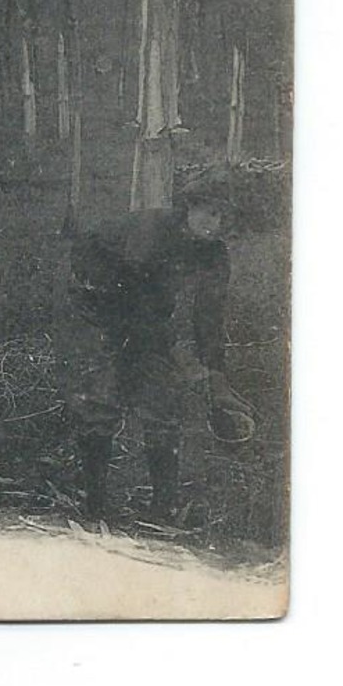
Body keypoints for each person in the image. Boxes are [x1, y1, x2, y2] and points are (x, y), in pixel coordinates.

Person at [62, 174, 256, 522]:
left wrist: (217, 378)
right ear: (188, 207)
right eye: (209, 213)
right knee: (102, 399)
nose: (216, 225)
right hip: (99, 305)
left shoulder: (214, 255)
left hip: (146, 315)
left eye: (224, 218)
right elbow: (132, 297)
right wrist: (174, 352)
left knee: (163, 403)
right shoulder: (152, 233)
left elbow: (208, 318)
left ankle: (162, 509)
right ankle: (92, 505)